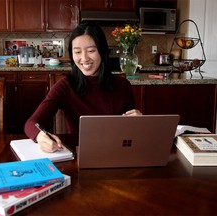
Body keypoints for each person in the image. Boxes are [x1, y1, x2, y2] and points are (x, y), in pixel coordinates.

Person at [24, 23, 142, 153]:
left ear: (102, 51)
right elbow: (32, 123)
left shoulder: (123, 85)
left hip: (117, 152)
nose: (84, 58)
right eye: (78, 52)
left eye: (91, 51)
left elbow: (131, 131)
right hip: (81, 153)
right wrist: (40, 136)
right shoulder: (65, 85)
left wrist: (139, 123)